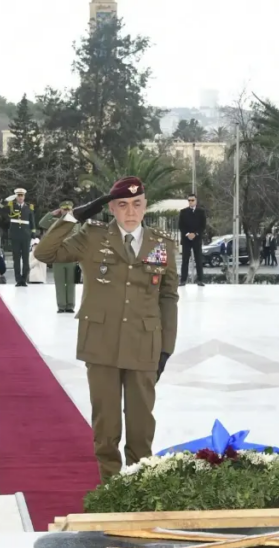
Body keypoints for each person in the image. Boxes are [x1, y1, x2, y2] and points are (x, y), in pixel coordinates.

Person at [34, 177, 179, 480]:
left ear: (145, 206)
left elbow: (168, 297)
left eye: (137, 204)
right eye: (123, 205)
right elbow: (45, 254)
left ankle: (139, 488)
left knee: (141, 427)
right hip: (101, 343)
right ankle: (110, 489)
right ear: (111, 208)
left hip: (143, 343)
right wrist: (74, 217)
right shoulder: (92, 236)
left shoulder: (162, 244)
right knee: (106, 426)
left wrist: (166, 348)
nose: (131, 211)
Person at [43, 200, 78, 313]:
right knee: (59, 283)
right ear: (61, 210)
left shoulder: (76, 223)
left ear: (71, 210)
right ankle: (61, 306)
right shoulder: (55, 222)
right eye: (64, 209)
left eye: (68, 209)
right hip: (58, 257)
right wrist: (52, 214)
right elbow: (42, 223)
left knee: (71, 283)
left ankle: (70, 306)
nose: (66, 211)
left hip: (71, 257)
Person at [0, 188, 36, 287]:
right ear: (16, 197)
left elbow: (32, 220)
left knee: (25, 258)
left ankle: (24, 279)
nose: (20, 197)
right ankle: (18, 279)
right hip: (15, 235)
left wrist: (33, 232)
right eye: (18, 196)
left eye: (22, 196)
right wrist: (4, 201)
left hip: (26, 235)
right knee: (16, 258)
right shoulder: (11, 206)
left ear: (24, 197)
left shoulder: (29, 207)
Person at [178, 194, 206, 286]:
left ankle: (200, 280)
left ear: (196, 201)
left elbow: (203, 226)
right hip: (186, 239)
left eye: (192, 200)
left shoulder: (201, 212)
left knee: (198, 260)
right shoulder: (183, 212)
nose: (190, 202)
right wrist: (187, 234)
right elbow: (181, 226)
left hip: (197, 239)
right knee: (185, 260)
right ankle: (183, 280)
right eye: (189, 200)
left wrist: (195, 234)